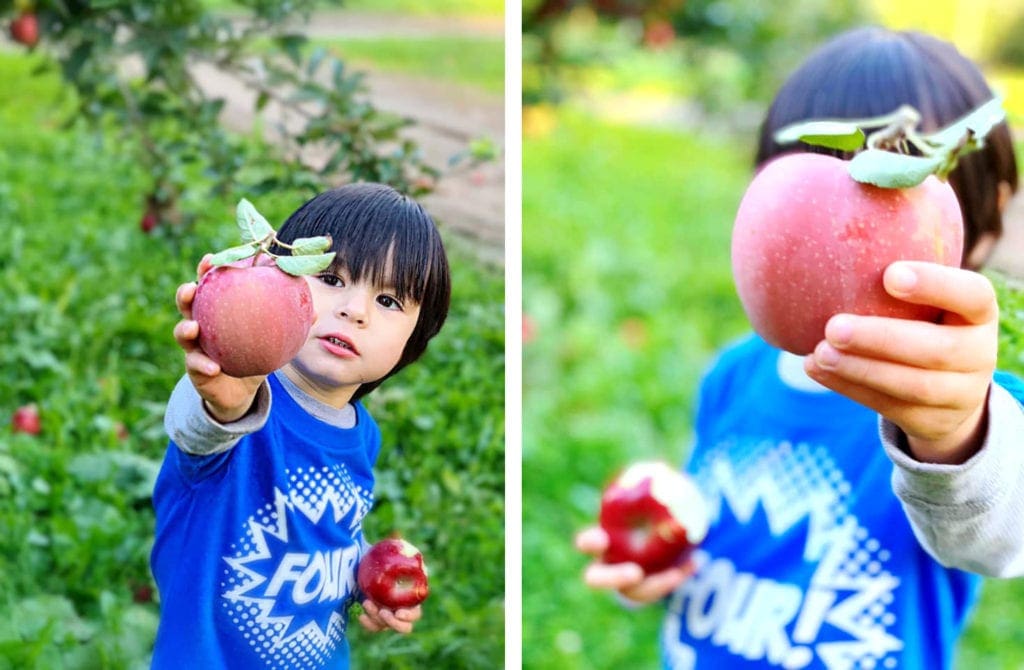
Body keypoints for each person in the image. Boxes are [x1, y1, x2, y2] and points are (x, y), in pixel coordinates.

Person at [576, 26, 1024, 670]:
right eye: (810, 190)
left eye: (893, 193)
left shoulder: (962, 412)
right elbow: (725, 543)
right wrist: (663, 562)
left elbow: (1000, 531)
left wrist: (955, 434)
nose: (841, 236)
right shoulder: (735, 375)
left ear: (978, 233)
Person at [150, 182, 451, 669]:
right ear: (276, 275)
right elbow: (198, 430)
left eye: (390, 301)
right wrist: (225, 395)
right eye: (331, 278)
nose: (354, 310)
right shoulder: (242, 402)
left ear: (414, 341)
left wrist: (365, 573)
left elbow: (322, 531)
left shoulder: (361, 433)